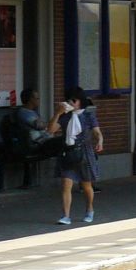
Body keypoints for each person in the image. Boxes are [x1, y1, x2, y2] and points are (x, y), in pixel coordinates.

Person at [48, 86, 103, 225]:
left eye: (74, 100)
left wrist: (100, 140)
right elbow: (51, 130)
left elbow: (96, 131)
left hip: (84, 152)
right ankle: (65, 215)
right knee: (66, 184)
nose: (71, 103)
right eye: (69, 100)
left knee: (86, 186)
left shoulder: (88, 115)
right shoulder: (65, 116)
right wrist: (57, 114)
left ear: (81, 101)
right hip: (68, 152)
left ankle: (89, 208)